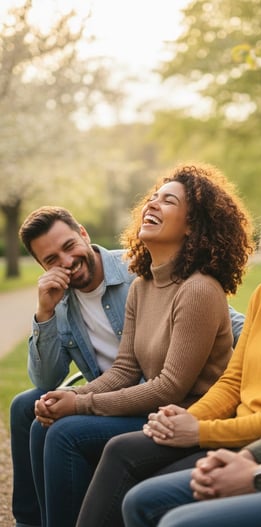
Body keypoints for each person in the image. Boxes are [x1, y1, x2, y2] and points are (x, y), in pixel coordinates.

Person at [75, 164, 261, 527]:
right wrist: (187, 418)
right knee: (126, 458)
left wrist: (201, 431)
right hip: (229, 433)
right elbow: (232, 382)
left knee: (144, 491)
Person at [30, 162, 252, 527]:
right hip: (158, 410)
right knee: (45, 423)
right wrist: (72, 398)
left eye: (168, 201)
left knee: (67, 433)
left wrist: (82, 405)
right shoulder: (143, 285)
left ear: (192, 225)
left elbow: (170, 386)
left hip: (190, 417)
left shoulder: (198, 288)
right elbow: (125, 369)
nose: (152, 204)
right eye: (152, 198)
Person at [10, 205, 136, 527]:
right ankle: (30, 521)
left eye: (69, 246)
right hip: (103, 388)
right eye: (51, 260)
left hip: (139, 395)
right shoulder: (60, 300)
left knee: (55, 428)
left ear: (83, 233)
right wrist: (45, 313)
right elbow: (47, 378)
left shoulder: (135, 268)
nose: (66, 262)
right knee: (25, 405)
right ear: (42, 266)